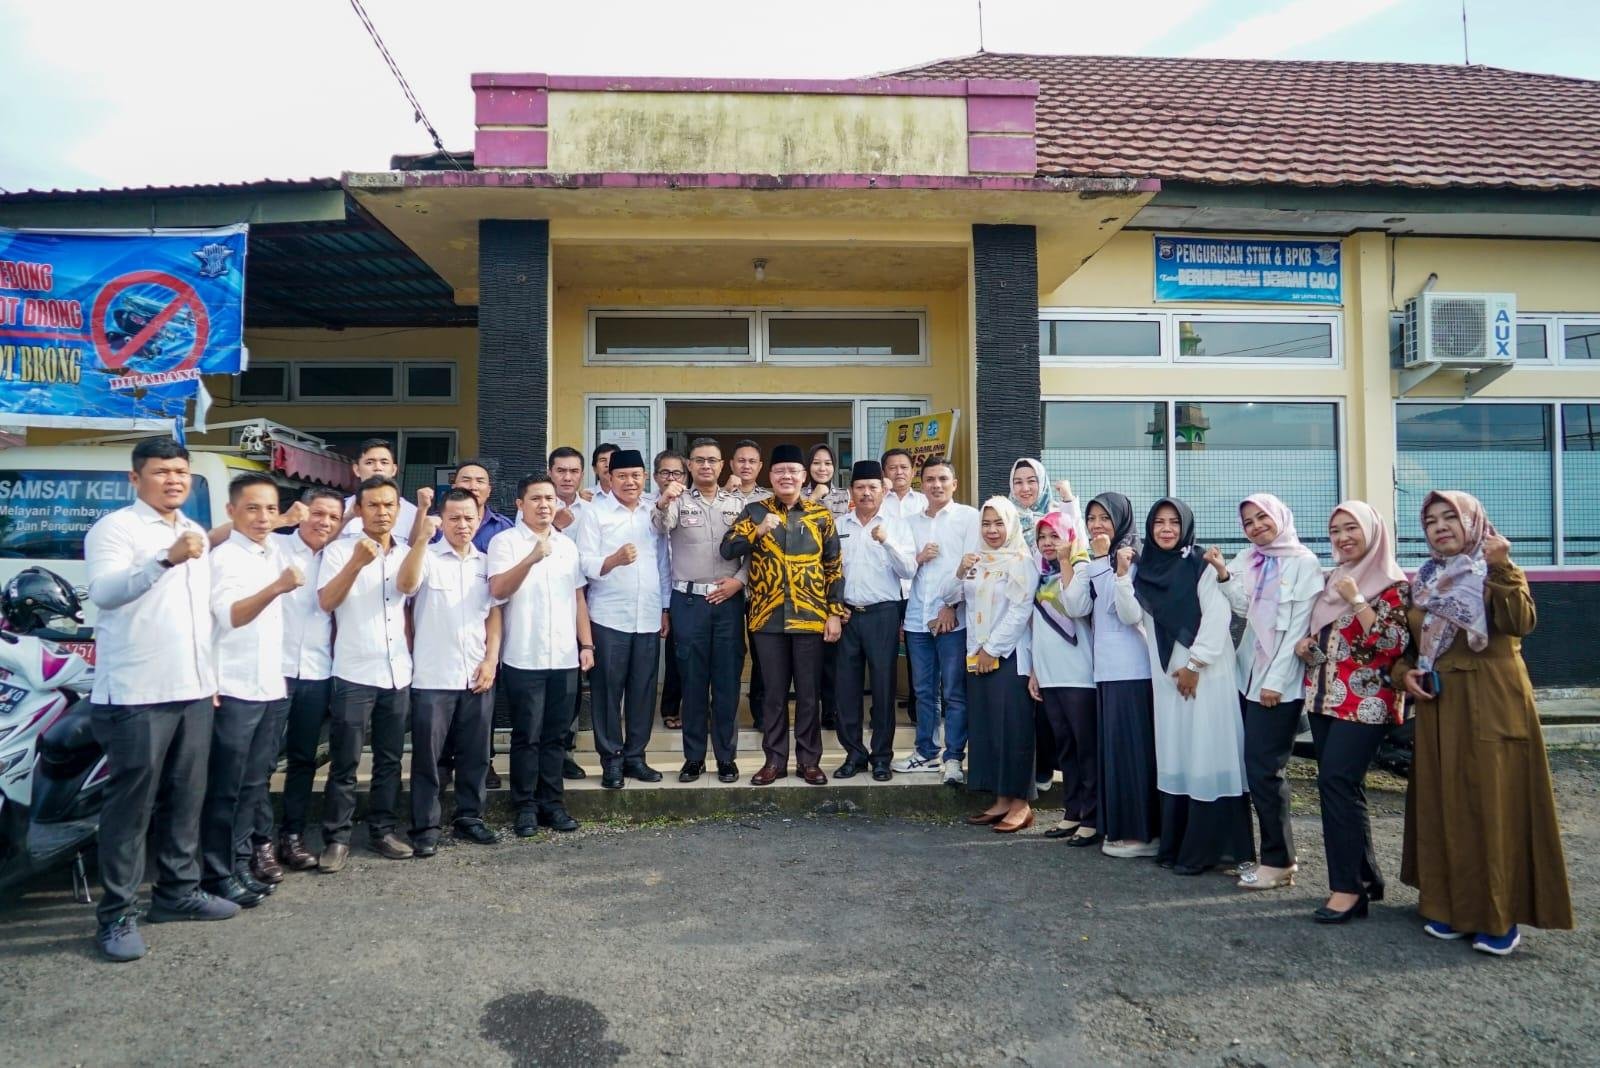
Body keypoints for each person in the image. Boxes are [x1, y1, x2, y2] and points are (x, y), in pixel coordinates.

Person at [1395, 491, 1573, 955]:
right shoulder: (1428, 579)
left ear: (1473, 522)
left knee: (1492, 804)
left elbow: (1520, 622)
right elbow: (1414, 647)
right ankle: (1451, 906)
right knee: (1445, 805)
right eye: (1431, 521)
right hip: (1439, 705)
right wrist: (1404, 674)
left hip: (1491, 701)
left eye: (1450, 517)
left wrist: (1503, 566)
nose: (1439, 527)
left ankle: (1497, 917)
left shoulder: (1489, 570)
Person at [85, 437, 236, 962]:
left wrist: (209, 675)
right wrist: (164, 560)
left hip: (192, 689)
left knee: (185, 799)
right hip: (137, 693)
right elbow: (105, 592)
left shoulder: (193, 530)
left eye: (180, 471)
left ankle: (176, 893)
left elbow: (201, 615)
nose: (174, 480)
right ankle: (116, 915)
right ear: (135, 479)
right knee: (131, 807)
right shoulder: (116, 529)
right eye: (161, 472)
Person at [1296, 500, 1410, 924]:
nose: (1342, 538)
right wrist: (1304, 646)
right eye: (1335, 530)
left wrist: (1358, 600)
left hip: (1365, 706)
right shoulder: (1332, 582)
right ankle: (1367, 879)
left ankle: (1347, 891)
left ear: (1372, 533)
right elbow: (1325, 640)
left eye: (1351, 529)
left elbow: (1393, 644)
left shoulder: (1391, 586)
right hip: (1326, 699)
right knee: (1345, 787)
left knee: (1335, 785)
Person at [1130, 499, 1253, 875]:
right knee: (1178, 752)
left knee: (1207, 749)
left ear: (1185, 527)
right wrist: (1120, 575)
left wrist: (1194, 665)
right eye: (1159, 522)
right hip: (1166, 675)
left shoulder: (1200, 564)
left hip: (1205, 673)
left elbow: (1218, 617)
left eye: (1173, 523)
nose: (1166, 529)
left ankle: (1211, 851)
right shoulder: (1144, 568)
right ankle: (1178, 845)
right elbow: (1134, 616)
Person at [200, 474, 304, 910]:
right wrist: (276, 588)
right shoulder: (226, 559)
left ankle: (240, 864)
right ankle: (216, 873)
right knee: (226, 788)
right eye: (252, 509)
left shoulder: (269, 550)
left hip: (268, 686)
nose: (262, 518)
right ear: (231, 512)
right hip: (234, 687)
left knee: (253, 784)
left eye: (269, 509)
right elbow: (231, 616)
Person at [1209, 494, 1322, 892]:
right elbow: (1244, 608)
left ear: (1279, 517)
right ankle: (1276, 856)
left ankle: (1279, 861)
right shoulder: (1251, 558)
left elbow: (1297, 627)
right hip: (1249, 674)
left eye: (1262, 519)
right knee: (1257, 770)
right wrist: (1224, 575)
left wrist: (1275, 681)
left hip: (1278, 684)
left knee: (1266, 771)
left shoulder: (1304, 562)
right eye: (1248, 523)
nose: (1256, 527)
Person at [720, 443, 843, 786]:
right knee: (772, 695)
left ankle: (809, 762)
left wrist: (833, 613)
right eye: (779, 472)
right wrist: (756, 532)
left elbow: (834, 567)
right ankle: (773, 761)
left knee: (808, 694)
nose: (786, 476)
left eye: (793, 471)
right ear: (769, 476)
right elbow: (728, 548)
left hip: (811, 617)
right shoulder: (753, 511)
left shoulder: (820, 516)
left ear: (804, 477)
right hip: (766, 619)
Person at [316, 474, 415, 868]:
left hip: (398, 672)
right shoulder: (340, 551)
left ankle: (382, 830)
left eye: (389, 505)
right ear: (358, 509)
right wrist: (357, 564)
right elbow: (327, 601)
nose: (382, 512)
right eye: (373, 505)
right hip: (355, 671)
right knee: (345, 760)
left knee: (390, 759)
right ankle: (336, 838)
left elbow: (410, 598)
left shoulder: (407, 551)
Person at [399, 488, 502, 855]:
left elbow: (493, 616)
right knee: (428, 758)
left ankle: (470, 818)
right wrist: (422, 540)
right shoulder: (426, 557)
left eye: (469, 518)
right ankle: (425, 827)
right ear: (442, 519)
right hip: (433, 676)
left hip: (477, 676)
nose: (463, 525)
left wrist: (491, 661)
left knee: (475, 754)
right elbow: (407, 586)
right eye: (455, 518)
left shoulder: (485, 562)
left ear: (479, 519)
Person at [489, 475, 592, 837]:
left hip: (564, 657)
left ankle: (553, 803)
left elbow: (579, 598)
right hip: (523, 657)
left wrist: (587, 645)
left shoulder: (567, 546)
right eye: (536, 499)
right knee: (526, 735)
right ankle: (525, 806)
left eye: (550, 499)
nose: (545, 505)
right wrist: (531, 557)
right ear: (520, 504)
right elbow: (498, 590)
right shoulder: (505, 542)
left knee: (555, 737)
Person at [1064, 493, 1159, 858]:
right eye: (1091, 518)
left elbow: (1124, 611)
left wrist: (1106, 562)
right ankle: (1120, 826)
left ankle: (1143, 833)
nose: (1097, 525)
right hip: (1104, 669)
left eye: (1104, 517)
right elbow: (1077, 606)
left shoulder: (1131, 556)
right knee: (1115, 752)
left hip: (1133, 667)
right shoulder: (1096, 558)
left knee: (1133, 752)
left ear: (1121, 519)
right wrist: (1073, 564)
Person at [654, 438, 748, 784]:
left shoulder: (738, 504)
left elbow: (753, 551)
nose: (706, 466)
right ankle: (693, 758)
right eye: (699, 461)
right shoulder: (678, 500)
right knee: (693, 683)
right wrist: (666, 500)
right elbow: (661, 526)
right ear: (689, 466)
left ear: (723, 465)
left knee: (726, 682)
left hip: (728, 600)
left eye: (712, 460)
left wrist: (739, 582)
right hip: (689, 602)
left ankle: (726, 757)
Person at [575, 449, 670, 789]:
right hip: (608, 617)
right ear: (609, 478)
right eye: (623, 476)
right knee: (607, 692)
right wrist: (612, 560)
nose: (630, 482)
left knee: (643, 691)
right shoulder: (594, 513)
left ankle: (636, 757)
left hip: (647, 615)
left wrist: (665, 608)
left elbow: (663, 563)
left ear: (645, 477)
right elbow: (584, 563)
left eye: (636, 475)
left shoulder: (652, 511)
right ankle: (611, 760)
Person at [947, 497, 1038, 833]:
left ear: (1011, 525)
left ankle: (1021, 804)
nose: (992, 530)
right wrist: (958, 572)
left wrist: (993, 650)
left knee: (1013, 729)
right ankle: (1001, 799)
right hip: (977, 656)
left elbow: (1020, 611)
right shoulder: (976, 559)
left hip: (1008, 657)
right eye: (986, 524)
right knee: (986, 729)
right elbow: (948, 597)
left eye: (999, 523)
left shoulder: (1020, 561)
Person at [273, 487, 344, 873]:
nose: (325, 523)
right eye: (318, 514)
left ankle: (292, 835)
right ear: (302, 512)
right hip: (274, 671)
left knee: (302, 760)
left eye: (334, 517)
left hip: (317, 672)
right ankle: (256, 843)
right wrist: (280, 520)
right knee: (262, 761)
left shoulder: (336, 558)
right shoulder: (275, 548)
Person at [895, 458, 979, 784]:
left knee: (955, 691)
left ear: (954, 483)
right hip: (917, 617)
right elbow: (904, 570)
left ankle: (954, 757)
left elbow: (973, 565)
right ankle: (926, 752)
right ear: (921, 484)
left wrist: (951, 605)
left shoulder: (968, 518)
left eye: (943, 478)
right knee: (924, 691)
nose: (936, 485)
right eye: (930, 479)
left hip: (953, 620)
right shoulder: (910, 522)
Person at [833, 460, 917, 781]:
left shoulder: (898, 526)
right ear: (851, 491)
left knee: (883, 689)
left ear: (884, 490)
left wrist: (887, 541)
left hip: (883, 613)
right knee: (847, 689)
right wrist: (834, 608)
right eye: (860, 487)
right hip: (847, 614)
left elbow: (909, 570)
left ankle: (881, 756)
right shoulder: (840, 524)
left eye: (872, 488)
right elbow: (831, 572)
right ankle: (854, 753)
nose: (866, 493)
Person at [1030, 511, 1099, 844]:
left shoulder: (1081, 569)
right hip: (1050, 674)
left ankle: (1092, 816)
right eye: (1042, 538)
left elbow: (1076, 608)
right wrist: (1034, 672)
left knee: (1087, 749)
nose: (1047, 544)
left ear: (1071, 538)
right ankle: (1072, 813)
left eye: (1054, 536)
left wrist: (1068, 561)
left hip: (1079, 675)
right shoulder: (1042, 576)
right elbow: (1037, 628)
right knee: (1066, 749)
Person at [1009, 457, 1063, 788]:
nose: (1025, 488)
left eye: (1031, 480)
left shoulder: (1057, 516)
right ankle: (1032, 768)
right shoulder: (1007, 519)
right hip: (1019, 616)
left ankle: (1049, 765)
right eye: (1018, 481)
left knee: (1049, 692)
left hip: (1054, 611)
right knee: (1025, 694)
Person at [547, 444, 592, 780]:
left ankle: (565, 750)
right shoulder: (536, 506)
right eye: (560, 470)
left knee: (572, 687)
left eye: (573, 471)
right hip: (546, 609)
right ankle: (543, 751)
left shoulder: (591, 510)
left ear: (582, 474)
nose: (567, 477)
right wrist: (556, 527)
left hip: (584, 603)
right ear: (550, 472)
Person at [726, 438, 771, 724]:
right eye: (740, 460)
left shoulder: (768, 500)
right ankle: (724, 712)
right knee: (729, 654)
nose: (746, 465)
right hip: (724, 589)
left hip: (757, 589)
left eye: (752, 461)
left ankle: (761, 713)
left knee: (763, 654)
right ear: (730, 465)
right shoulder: (718, 496)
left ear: (760, 466)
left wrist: (743, 579)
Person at [805, 443, 849, 730]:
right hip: (805, 584)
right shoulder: (797, 496)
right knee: (809, 654)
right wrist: (815, 499)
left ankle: (831, 710)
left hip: (834, 579)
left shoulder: (846, 497)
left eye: (828, 463)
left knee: (833, 653)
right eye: (817, 463)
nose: (823, 468)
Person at [651, 449, 687, 730]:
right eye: (665, 472)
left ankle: (697, 706)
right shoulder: (645, 505)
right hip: (659, 589)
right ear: (655, 477)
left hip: (687, 588)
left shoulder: (693, 503)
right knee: (673, 655)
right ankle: (670, 707)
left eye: (677, 473)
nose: (671, 478)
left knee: (689, 653)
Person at [338, 438, 417, 539]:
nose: (378, 468)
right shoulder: (340, 509)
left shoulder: (412, 512)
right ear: (356, 469)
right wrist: (347, 517)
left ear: (394, 470)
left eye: (384, 462)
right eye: (369, 463)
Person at [443, 459, 515, 552]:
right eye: (466, 480)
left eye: (480, 481)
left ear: (489, 491)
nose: (473, 487)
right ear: (454, 487)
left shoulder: (503, 526)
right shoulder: (435, 525)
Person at [877, 448, 928, 521]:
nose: (899, 472)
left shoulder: (925, 501)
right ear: (883, 474)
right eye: (893, 468)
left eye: (904, 467)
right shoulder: (875, 502)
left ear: (913, 472)